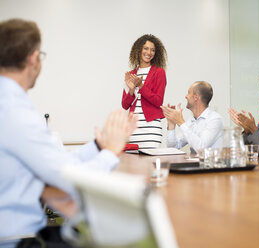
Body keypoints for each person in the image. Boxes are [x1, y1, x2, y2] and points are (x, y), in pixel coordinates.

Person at [0, 19, 137, 247]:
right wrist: (111, 152)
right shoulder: (14, 110)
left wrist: (99, 146)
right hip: (16, 240)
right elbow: (71, 181)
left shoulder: (9, 103)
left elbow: (57, 162)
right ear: (34, 58)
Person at [121, 34, 167, 149]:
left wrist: (141, 86)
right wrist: (131, 89)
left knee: (150, 164)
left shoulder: (159, 72)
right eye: (146, 48)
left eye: (152, 50)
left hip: (151, 127)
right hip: (134, 127)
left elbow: (158, 101)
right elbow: (125, 105)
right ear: (139, 50)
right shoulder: (131, 74)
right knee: (135, 164)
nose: (149, 52)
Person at [161, 81, 224, 153]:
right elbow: (173, 147)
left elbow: (200, 148)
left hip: (210, 164)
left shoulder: (215, 120)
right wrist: (171, 124)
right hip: (195, 163)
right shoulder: (191, 121)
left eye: (188, 92)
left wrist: (181, 122)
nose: (186, 96)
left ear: (196, 97)